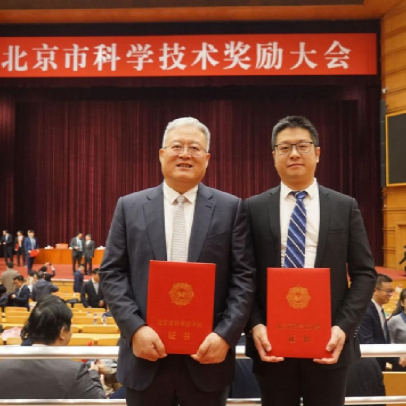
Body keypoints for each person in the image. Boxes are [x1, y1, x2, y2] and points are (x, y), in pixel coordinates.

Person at [100, 117, 255, 406]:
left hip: (207, 359)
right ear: (161, 154)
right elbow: (112, 273)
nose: (185, 154)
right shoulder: (129, 207)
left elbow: (244, 278)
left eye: (194, 148)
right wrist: (135, 329)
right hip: (145, 358)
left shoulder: (230, 208)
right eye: (177, 146)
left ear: (207, 158)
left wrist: (225, 336)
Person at [245, 116, 376, 406]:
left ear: (317, 153)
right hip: (272, 344)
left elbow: (365, 273)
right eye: (284, 147)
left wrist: (342, 327)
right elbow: (244, 275)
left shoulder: (344, 206)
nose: (293, 154)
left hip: (329, 343)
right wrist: (255, 325)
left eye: (302, 146)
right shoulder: (254, 208)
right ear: (274, 156)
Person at [0, 295, 106, 399]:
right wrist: (94, 376)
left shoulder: (3, 366)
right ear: (62, 332)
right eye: (70, 328)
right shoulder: (74, 371)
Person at [359, 274, 399, 371]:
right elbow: (368, 344)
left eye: (392, 291)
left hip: (379, 365)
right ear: (375, 290)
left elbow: (383, 340)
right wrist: (396, 359)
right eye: (388, 291)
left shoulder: (379, 309)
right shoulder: (366, 312)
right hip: (369, 367)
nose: (391, 294)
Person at [387, 288, 406, 370]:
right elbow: (389, 343)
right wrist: (398, 357)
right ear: (402, 303)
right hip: (402, 365)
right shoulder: (394, 320)